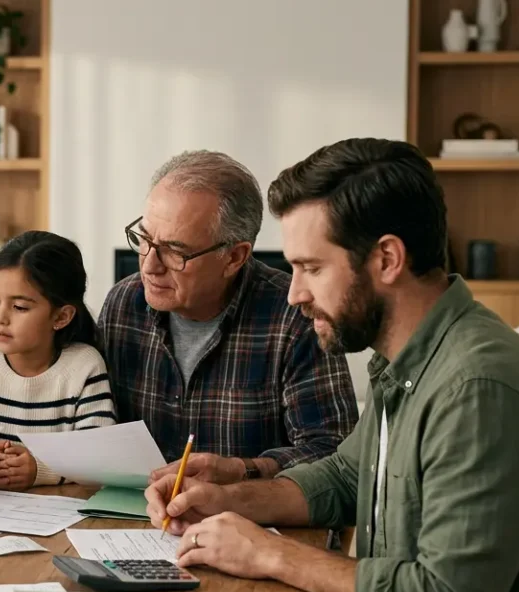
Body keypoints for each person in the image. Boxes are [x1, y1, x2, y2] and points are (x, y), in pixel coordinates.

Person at [146, 138, 519, 592]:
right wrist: (229, 499)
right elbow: (344, 476)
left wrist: (271, 555)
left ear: (386, 259)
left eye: (311, 268)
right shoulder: (409, 358)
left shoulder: (477, 387)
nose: (293, 294)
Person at [99, 150, 358, 484]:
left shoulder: (296, 316)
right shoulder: (123, 305)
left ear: (234, 257)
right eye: (144, 239)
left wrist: (241, 469)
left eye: (175, 252)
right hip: (129, 523)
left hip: (250, 522)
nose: (149, 265)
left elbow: (333, 451)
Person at [0, 231, 114, 494]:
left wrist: (38, 469)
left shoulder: (85, 367)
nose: (0, 317)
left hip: (59, 517)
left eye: (19, 307)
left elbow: (97, 457)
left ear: (62, 316)